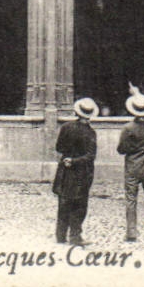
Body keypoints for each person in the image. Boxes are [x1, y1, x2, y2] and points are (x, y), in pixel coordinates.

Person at [117, 83, 144, 241]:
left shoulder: (128, 128)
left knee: (131, 200)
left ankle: (131, 233)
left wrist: (134, 95)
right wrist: (139, 95)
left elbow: (121, 149)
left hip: (133, 168)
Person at [52, 96, 98, 245]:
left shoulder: (65, 127)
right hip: (81, 173)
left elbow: (59, 147)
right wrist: (75, 161)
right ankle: (75, 236)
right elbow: (90, 156)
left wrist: (68, 158)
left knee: (64, 203)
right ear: (90, 115)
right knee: (79, 205)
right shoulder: (90, 133)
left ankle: (60, 235)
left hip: (65, 172)